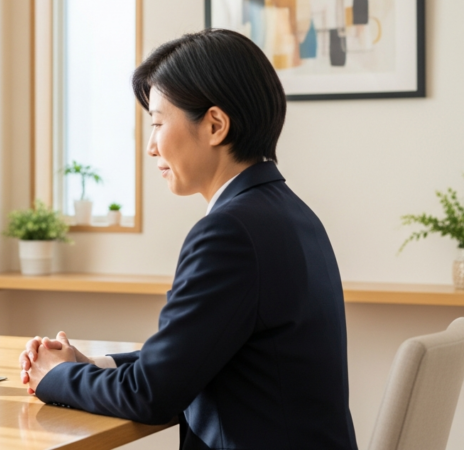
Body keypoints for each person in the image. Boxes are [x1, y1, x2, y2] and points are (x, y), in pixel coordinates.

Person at [18, 30, 358, 449]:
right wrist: (94, 365)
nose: (150, 147)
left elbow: (152, 395)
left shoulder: (229, 232)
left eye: (158, 123)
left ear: (215, 125)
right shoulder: (291, 214)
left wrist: (54, 376)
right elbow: (194, 356)